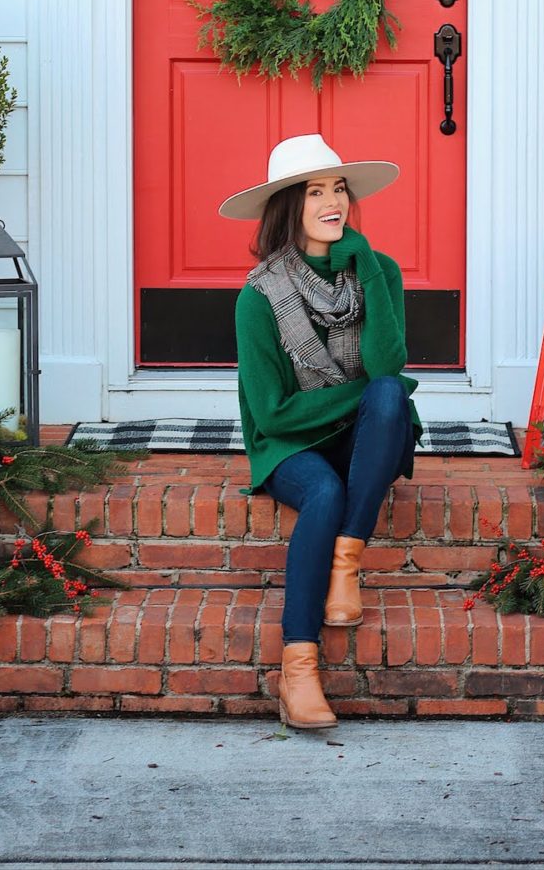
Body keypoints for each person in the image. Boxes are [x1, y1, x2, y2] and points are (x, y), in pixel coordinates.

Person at [218, 134, 421, 729]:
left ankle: (345, 565)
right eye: (315, 192)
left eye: (338, 189)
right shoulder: (259, 297)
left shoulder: (378, 271)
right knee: (326, 492)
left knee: (387, 393)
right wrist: (356, 398)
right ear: (289, 206)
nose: (333, 202)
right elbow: (273, 413)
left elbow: (388, 367)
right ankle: (298, 670)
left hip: (361, 434)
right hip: (289, 442)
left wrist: (364, 265)